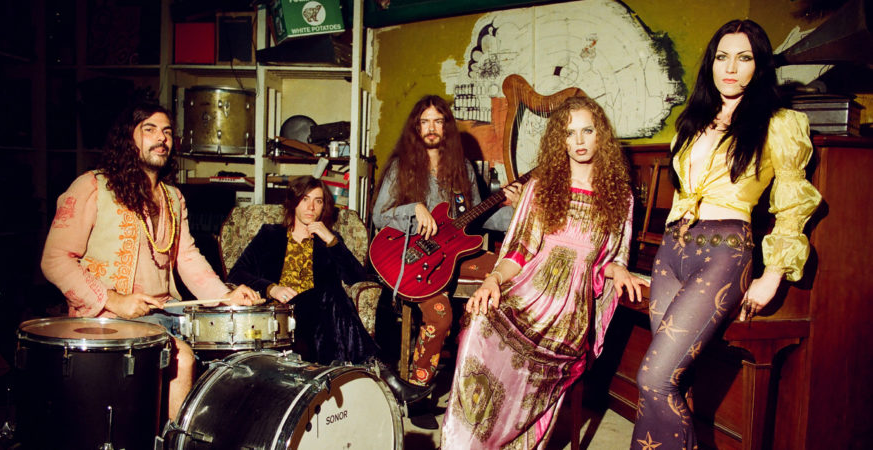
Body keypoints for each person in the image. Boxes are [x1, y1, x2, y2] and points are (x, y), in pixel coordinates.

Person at [630, 20, 822, 449]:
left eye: (743, 57)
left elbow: (793, 204)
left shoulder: (779, 123)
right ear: (711, 64)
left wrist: (773, 274)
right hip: (671, 252)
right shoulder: (692, 120)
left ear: (759, 65)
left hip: (724, 253)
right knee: (674, 382)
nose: (730, 68)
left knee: (654, 378)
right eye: (722, 57)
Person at [440, 94, 647, 448]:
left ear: (601, 135)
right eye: (569, 133)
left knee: (532, 367)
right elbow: (519, 251)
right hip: (527, 293)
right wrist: (493, 280)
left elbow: (611, 256)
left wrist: (620, 270)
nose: (579, 140)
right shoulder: (541, 187)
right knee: (479, 323)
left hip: (568, 313)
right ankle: (466, 441)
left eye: (587, 131)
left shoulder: (619, 195)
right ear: (559, 140)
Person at [40, 102, 262, 419]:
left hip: (165, 312)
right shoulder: (92, 186)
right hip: (105, 319)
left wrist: (225, 296)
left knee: (235, 344)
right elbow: (55, 259)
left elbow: (187, 257)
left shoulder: (173, 197)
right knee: (182, 358)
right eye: (150, 129)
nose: (161, 139)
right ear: (127, 138)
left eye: (167, 132)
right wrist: (113, 299)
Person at [226, 175, 432, 404]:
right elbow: (236, 273)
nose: (311, 207)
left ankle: (348, 380)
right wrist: (271, 288)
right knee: (331, 294)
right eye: (305, 199)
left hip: (320, 317)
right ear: (294, 202)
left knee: (331, 295)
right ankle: (382, 375)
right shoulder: (270, 235)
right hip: (281, 315)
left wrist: (331, 240)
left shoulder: (328, 240)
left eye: (318, 201)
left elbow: (356, 278)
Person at [371, 94, 521, 391]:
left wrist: (517, 209)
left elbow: (476, 217)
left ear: (446, 127)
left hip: (453, 253)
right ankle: (416, 388)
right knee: (440, 318)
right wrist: (413, 209)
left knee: (511, 277)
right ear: (416, 127)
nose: (431, 128)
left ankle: (484, 374)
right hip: (413, 259)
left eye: (438, 122)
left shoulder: (463, 168)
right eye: (424, 122)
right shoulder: (400, 167)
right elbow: (379, 216)